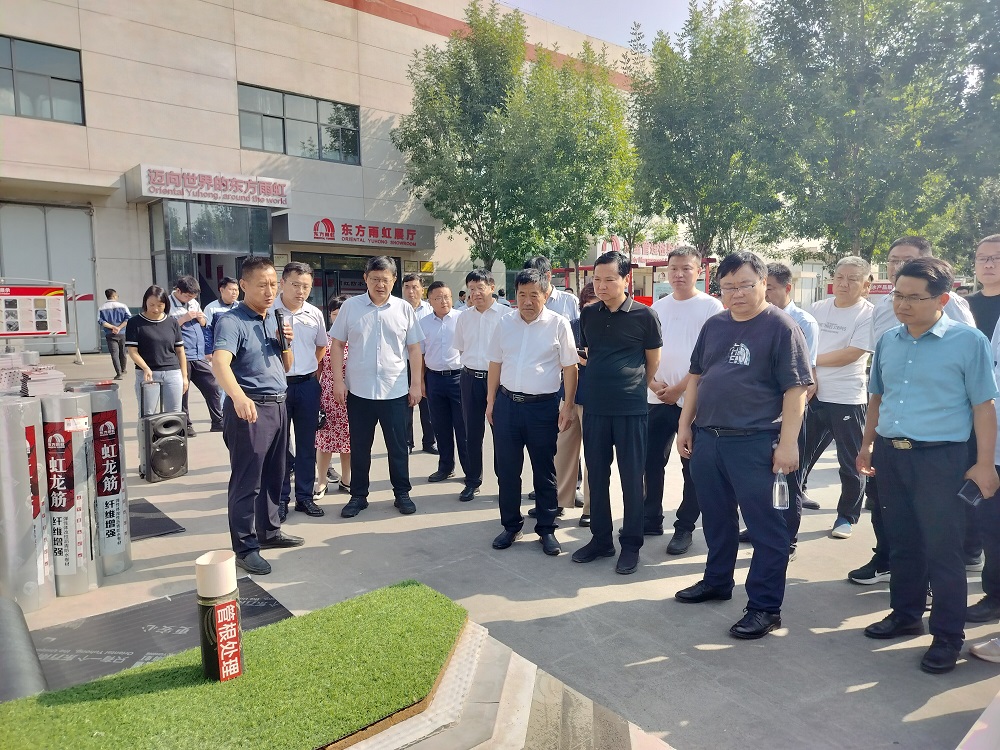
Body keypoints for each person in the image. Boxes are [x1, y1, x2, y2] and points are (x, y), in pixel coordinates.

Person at [857, 257, 998, 674]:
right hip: (891, 454)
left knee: (943, 550)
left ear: (942, 299)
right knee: (902, 542)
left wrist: (985, 464)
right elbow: (877, 398)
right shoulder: (889, 340)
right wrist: (867, 445)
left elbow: (984, 407)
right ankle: (905, 614)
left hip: (941, 459)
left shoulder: (968, 341)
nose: (902, 305)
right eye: (898, 295)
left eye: (914, 298)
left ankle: (947, 637)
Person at [675, 251, 812, 640]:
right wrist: (685, 424)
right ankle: (717, 580)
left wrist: (788, 445)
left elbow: (796, 391)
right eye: (728, 286)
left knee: (768, 528)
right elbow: (696, 377)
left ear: (763, 283)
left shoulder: (781, 327)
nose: (736, 293)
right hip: (710, 438)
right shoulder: (715, 325)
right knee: (716, 518)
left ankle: (764, 607)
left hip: (756, 443)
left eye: (745, 285)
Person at [849, 236, 976, 585]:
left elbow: (974, 388)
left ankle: (934, 593)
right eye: (892, 260)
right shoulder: (884, 312)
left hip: (937, 445)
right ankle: (889, 566)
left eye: (906, 260)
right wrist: (869, 442)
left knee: (936, 533)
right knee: (890, 516)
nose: (897, 266)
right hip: (892, 437)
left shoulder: (955, 315)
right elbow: (879, 388)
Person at [572, 250, 662, 575]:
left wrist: (633, 387)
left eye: (609, 279)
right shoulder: (589, 314)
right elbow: (590, 354)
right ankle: (601, 540)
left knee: (631, 479)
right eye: (597, 279)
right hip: (595, 408)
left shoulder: (645, 316)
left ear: (626, 279)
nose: (601, 285)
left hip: (630, 411)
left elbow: (653, 361)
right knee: (597, 476)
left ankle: (631, 545)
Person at [212, 257, 302, 576]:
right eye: (262, 285)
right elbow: (219, 362)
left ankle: (269, 531)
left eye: (273, 284)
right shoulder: (232, 321)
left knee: (276, 474)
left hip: (278, 405)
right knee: (247, 481)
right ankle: (245, 547)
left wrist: (286, 343)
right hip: (250, 409)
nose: (269, 291)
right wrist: (238, 397)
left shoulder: (272, 318)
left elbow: (287, 366)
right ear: (244, 285)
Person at [486, 267, 578, 556]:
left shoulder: (558, 324)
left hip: (543, 408)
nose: (527, 301)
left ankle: (547, 529)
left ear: (546, 294)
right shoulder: (504, 323)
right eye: (522, 294)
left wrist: (568, 406)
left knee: (544, 470)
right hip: (507, 405)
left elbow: (570, 368)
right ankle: (511, 526)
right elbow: (495, 363)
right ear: (515, 295)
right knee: (507, 471)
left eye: (534, 295)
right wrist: (490, 402)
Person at [331, 256, 425, 518]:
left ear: (394, 280)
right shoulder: (350, 307)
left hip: (395, 391)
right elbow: (337, 344)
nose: (380, 285)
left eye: (385, 280)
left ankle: (402, 493)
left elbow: (414, 349)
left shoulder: (404, 309)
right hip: (359, 392)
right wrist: (338, 381)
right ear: (365, 279)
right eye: (374, 279)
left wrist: (416, 385)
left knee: (398, 447)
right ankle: (358, 496)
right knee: (360, 447)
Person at [646, 247, 723, 555]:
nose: (679, 274)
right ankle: (650, 517)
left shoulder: (711, 308)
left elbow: (710, 359)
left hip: (693, 403)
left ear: (699, 271)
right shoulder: (657, 307)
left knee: (692, 469)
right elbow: (646, 352)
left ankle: (685, 527)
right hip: (656, 399)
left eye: (686, 269)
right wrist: (652, 383)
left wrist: (679, 389)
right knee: (650, 462)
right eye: (674, 268)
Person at [800, 256, 874, 539]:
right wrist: (810, 371)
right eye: (840, 277)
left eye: (853, 279)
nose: (844, 284)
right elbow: (801, 343)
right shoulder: (818, 308)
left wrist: (810, 361)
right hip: (811, 394)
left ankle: (846, 517)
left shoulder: (868, 314)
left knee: (851, 462)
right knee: (797, 454)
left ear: (866, 284)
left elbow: (851, 354)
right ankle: (787, 508)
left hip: (846, 398)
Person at [523, 256, 583, 517]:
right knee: (549, 441)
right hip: (542, 381)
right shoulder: (523, 306)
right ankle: (550, 488)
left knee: (569, 435)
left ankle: (573, 487)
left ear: (548, 275)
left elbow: (579, 333)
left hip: (568, 375)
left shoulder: (568, 301)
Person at [274, 262, 329, 520]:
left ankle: (305, 497)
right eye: (295, 285)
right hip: (278, 385)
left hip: (308, 385)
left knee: (307, 443)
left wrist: (308, 368)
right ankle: (281, 498)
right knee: (280, 445)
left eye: (306, 286)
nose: (301, 291)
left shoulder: (314, 313)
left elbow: (321, 347)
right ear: (282, 283)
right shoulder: (269, 311)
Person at [965, 235, 1000, 625]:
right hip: (968, 424)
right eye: (982, 258)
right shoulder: (965, 306)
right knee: (983, 512)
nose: (988, 264)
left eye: (996, 258)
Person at [453, 269, 505, 502]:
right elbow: (461, 349)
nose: (475, 293)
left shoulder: (506, 315)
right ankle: (472, 481)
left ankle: (505, 482)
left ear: (491, 287)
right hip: (470, 379)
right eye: (471, 289)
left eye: (480, 288)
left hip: (499, 381)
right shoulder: (463, 317)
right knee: (471, 432)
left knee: (501, 434)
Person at [421, 280, 472, 497]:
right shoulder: (423, 323)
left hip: (459, 378)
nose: (444, 301)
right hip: (434, 379)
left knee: (463, 427)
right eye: (438, 298)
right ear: (430, 301)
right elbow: (421, 355)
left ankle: (470, 471)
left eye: (447, 297)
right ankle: (445, 467)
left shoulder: (463, 318)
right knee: (440, 426)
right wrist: (421, 382)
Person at [170, 275, 223, 436]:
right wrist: (184, 319)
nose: (190, 299)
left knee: (213, 386)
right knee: (183, 392)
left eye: (193, 297)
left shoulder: (193, 302)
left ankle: (218, 421)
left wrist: (201, 319)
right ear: (178, 291)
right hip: (181, 355)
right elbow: (165, 328)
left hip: (198, 354)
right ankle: (186, 425)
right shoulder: (167, 304)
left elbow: (204, 323)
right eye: (187, 296)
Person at [124, 285, 188, 416]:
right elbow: (132, 351)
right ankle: (147, 431)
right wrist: (145, 368)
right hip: (148, 374)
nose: (156, 309)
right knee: (148, 414)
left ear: (166, 304)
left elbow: (180, 351)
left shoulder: (172, 322)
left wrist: (184, 376)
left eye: (160, 305)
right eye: (151, 305)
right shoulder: (135, 322)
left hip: (173, 373)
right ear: (145, 302)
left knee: (174, 414)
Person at [315, 297, 351, 499]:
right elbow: (317, 369)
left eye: (342, 314)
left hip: (354, 396)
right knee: (324, 441)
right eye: (335, 314)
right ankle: (322, 481)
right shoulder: (325, 340)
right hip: (328, 396)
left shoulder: (357, 339)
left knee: (349, 441)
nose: (338, 318)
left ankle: (347, 480)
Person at [571, 284, 599, 526]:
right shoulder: (573, 325)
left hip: (597, 400)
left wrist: (591, 360)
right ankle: (559, 500)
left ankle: (590, 507)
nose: (592, 308)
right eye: (588, 303)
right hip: (570, 395)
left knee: (593, 456)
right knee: (562, 453)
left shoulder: (611, 326)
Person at [401, 272, 437, 455]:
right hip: (403, 365)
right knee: (405, 406)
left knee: (427, 405)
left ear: (422, 290)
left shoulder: (430, 310)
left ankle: (429, 441)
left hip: (426, 364)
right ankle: (407, 442)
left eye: (415, 287)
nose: (411, 291)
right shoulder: (397, 309)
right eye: (407, 287)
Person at [204, 276, 241, 407]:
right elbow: (207, 330)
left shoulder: (240, 307)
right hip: (220, 352)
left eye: (236, 290)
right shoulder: (211, 308)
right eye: (231, 289)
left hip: (238, 352)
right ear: (221, 290)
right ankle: (222, 414)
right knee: (221, 385)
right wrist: (208, 351)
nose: (234, 293)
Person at [98, 288, 131, 380]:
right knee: (123, 352)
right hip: (122, 333)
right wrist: (119, 328)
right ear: (114, 296)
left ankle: (119, 374)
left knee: (114, 354)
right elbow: (128, 318)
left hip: (110, 334)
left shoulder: (101, 308)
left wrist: (113, 327)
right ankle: (123, 369)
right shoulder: (123, 306)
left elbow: (100, 321)